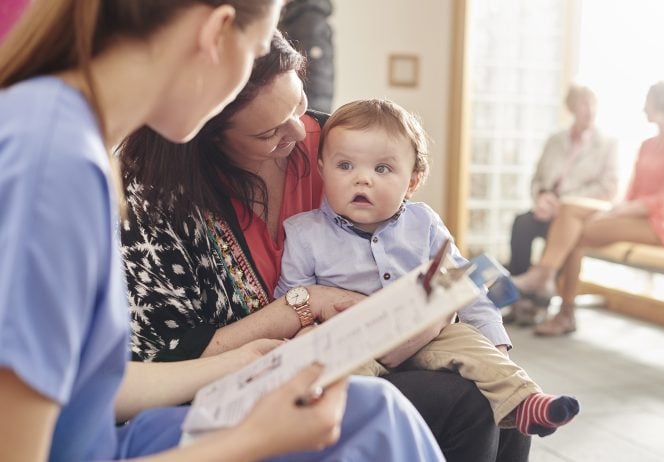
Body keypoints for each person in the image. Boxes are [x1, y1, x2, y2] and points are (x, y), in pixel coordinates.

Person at [0, 2, 443, 461]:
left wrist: (248, 362)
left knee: (376, 410)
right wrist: (253, 440)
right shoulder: (53, 167)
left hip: (100, 435)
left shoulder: (67, 132)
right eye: (256, 48)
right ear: (217, 34)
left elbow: (88, 386)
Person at [120, 32, 532, 462]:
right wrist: (307, 303)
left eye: (297, 103)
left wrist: (433, 316)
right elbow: (162, 361)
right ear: (205, 135)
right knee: (461, 402)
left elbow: (431, 255)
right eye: (269, 132)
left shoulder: (342, 146)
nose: (300, 132)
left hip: (405, 341)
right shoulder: (155, 205)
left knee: (510, 406)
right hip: (271, 377)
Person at [276, 98, 580, 436]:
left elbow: (465, 286)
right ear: (321, 169)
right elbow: (289, 302)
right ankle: (359, 432)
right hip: (352, 340)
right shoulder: (304, 233)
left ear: (412, 180)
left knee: (468, 340)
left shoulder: (424, 223)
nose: (362, 180)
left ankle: (525, 401)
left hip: (427, 336)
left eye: (382, 169)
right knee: (334, 366)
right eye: (344, 166)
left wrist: (496, 347)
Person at [513, 81, 664, 336]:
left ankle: (549, 287)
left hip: (659, 225)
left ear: (661, 104)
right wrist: (619, 208)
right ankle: (552, 290)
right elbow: (633, 189)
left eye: (648, 101)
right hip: (632, 215)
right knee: (570, 213)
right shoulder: (647, 145)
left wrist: (626, 209)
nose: (644, 107)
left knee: (575, 234)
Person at [505, 84, 618, 325]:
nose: (589, 110)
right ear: (571, 108)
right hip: (548, 207)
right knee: (521, 225)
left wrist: (565, 203)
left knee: (562, 234)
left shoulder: (607, 144)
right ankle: (517, 298)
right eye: (583, 104)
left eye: (593, 104)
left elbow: (608, 189)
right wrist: (542, 196)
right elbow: (537, 178)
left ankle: (540, 302)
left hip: (576, 214)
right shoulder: (556, 140)